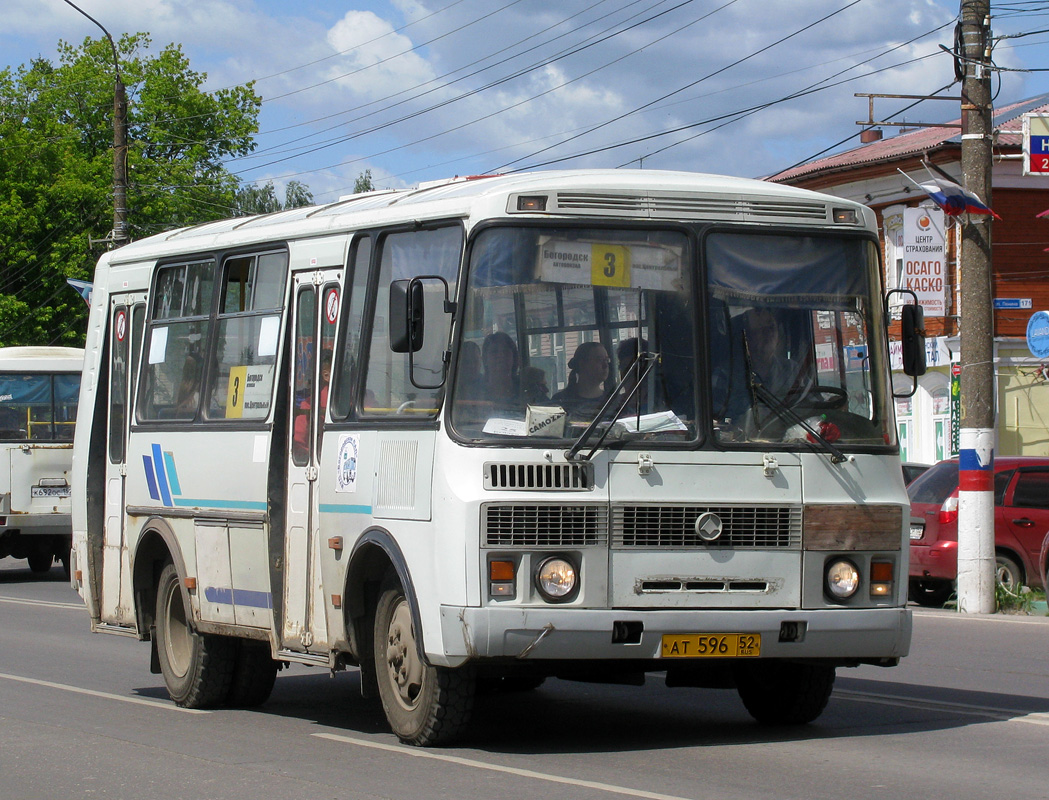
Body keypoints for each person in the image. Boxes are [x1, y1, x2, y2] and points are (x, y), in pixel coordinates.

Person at [552, 341, 610, 414]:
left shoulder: (612, 400)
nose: (605, 365)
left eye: (607, 360)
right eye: (599, 360)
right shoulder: (560, 401)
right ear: (582, 364)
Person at [481, 331, 520, 406]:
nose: (501, 356)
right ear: (485, 359)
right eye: (494, 352)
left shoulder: (526, 390)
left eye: (505, 352)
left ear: (514, 358)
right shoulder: (475, 394)